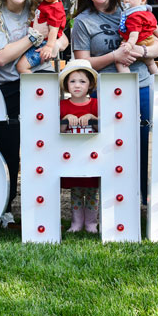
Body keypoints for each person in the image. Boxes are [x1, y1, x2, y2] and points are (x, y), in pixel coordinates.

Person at [0, 0, 70, 230]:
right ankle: (4, 211)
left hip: (40, 84)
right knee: (6, 153)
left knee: (41, 150)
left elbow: (62, 36)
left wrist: (56, 42)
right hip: (6, 90)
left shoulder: (40, 7)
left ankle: (40, 209)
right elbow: (3, 57)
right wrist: (34, 36)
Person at [73, 0, 158, 204]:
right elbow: (82, 64)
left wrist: (140, 50)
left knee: (141, 144)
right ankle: (111, 203)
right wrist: (115, 56)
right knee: (106, 149)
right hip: (105, 93)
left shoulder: (133, 7)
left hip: (141, 86)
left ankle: (141, 201)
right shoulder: (82, 22)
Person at [59, 59, 100, 234]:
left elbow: (102, 129)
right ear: (67, 85)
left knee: (91, 192)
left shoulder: (96, 105)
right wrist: (65, 119)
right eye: (73, 81)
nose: (77, 85)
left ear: (89, 84)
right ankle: (76, 223)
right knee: (76, 192)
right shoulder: (62, 106)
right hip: (72, 157)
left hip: (91, 156)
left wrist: (93, 118)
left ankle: (91, 223)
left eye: (82, 81)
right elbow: (57, 132)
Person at [17, 0, 67, 74]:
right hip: (39, 41)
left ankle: (33, 86)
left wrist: (49, 47)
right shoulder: (46, 4)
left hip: (43, 44)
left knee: (21, 67)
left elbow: (54, 29)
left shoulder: (55, 9)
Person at [117, 0, 158, 75]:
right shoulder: (147, 12)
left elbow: (134, 33)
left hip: (137, 42)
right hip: (149, 41)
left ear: (143, 0)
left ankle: (128, 81)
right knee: (150, 63)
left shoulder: (134, 16)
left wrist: (129, 44)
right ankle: (157, 79)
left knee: (120, 62)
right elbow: (155, 27)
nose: (126, 0)